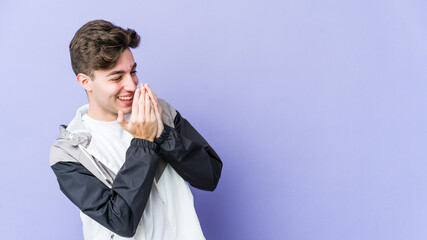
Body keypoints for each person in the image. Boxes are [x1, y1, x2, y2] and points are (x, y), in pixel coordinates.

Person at [49, 19, 223, 240]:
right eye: (117, 77)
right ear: (85, 82)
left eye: (132, 71)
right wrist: (144, 141)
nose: (132, 85)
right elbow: (121, 221)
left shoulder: (161, 112)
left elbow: (210, 176)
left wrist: (162, 133)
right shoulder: (69, 153)